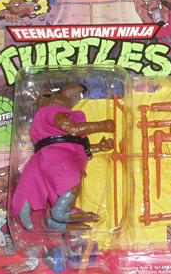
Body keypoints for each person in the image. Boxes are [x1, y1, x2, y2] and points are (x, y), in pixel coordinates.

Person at [11, 82, 114, 232]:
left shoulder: (51, 124)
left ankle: (55, 222)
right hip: (56, 156)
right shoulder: (50, 111)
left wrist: (100, 147)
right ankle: (59, 213)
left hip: (57, 154)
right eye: (70, 95)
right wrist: (103, 125)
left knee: (68, 186)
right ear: (51, 97)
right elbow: (72, 129)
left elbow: (75, 145)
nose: (75, 99)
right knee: (71, 184)